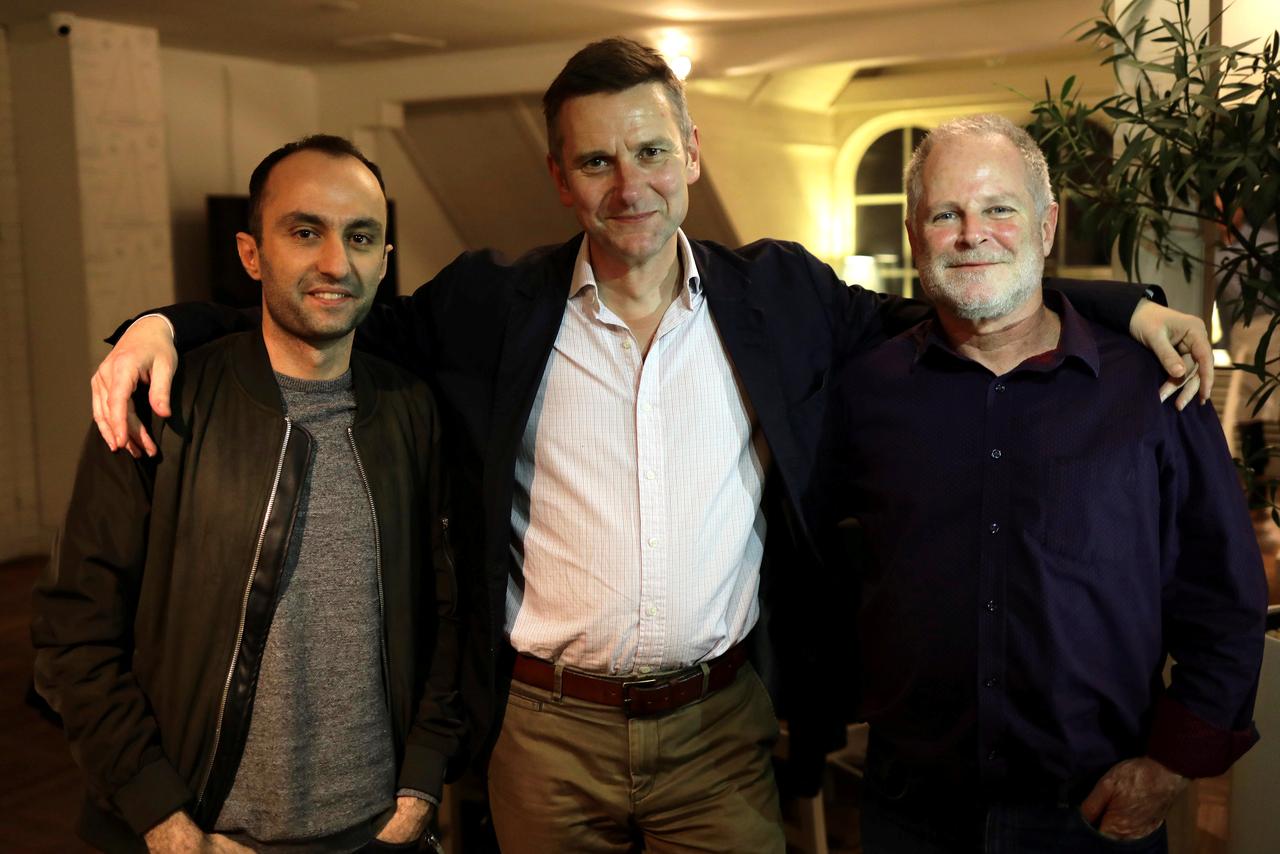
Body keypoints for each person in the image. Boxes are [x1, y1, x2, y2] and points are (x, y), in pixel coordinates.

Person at [90, 41, 1214, 853]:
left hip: (720, 727)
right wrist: (165, 325)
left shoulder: (781, 297)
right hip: (544, 732)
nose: (628, 186)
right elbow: (328, 309)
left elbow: (963, 298)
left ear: (690, 151)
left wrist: (1122, 307)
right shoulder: (488, 307)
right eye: (595, 162)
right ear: (558, 176)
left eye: (649, 151)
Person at [824, 115, 1266, 853]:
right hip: (910, 812)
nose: (973, 235)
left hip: (1091, 812)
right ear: (913, 235)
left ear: (1048, 224)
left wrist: (1172, 764)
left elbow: (1222, 590)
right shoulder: (867, 390)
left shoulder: (1150, 387)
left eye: (999, 208)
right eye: (944, 214)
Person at [32, 136, 462, 853]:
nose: (336, 263)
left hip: (378, 832)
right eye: (305, 232)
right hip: (202, 834)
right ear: (251, 254)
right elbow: (74, 633)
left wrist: (421, 784)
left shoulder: (411, 410)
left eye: (360, 237)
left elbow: (446, 614)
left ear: (385, 260)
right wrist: (164, 821)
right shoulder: (161, 407)